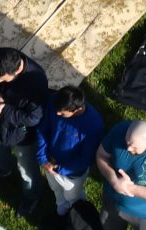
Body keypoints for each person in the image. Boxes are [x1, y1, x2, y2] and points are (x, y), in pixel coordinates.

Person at [0, 49, 48, 214]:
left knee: (26, 166)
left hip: (22, 132)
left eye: (3, 78)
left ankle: (32, 196)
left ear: (16, 71)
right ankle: (3, 168)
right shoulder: (0, 62)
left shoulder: (36, 81)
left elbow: (33, 118)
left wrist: (4, 110)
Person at [35, 85, 103, 220]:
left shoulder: (94, 125)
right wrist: (43, 158)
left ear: (77, 109)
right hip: (50, 161)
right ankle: (61, 211)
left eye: (62, 113)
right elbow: (43, 129)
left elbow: (86, 158)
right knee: (56, 189)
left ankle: (78, 217)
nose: (57, 114)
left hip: (72, 173)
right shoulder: (55, 102)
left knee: (73, 196)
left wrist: (60, 169)